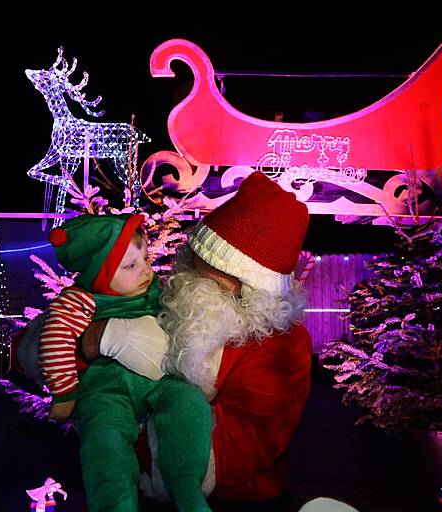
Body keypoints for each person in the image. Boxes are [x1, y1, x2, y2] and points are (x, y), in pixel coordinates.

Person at [80, 172, 313, 500]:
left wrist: (116, 437)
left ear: (247, 286)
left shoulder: (284, 346)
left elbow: (236, 449)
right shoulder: (173, 302)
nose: (187, 285)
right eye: (191, 264)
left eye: (209, 279)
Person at [39, 212, 211, 512]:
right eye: (130, 265)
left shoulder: (155, 288)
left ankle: (188, 489)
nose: (145, 270)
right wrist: (64, 393)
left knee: (189, 403)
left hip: (159, 378)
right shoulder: (82, 299)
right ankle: (116, 504)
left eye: (145, 258)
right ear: (100, 271)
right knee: (105, 439)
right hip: (107, 386)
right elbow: (55, 338)